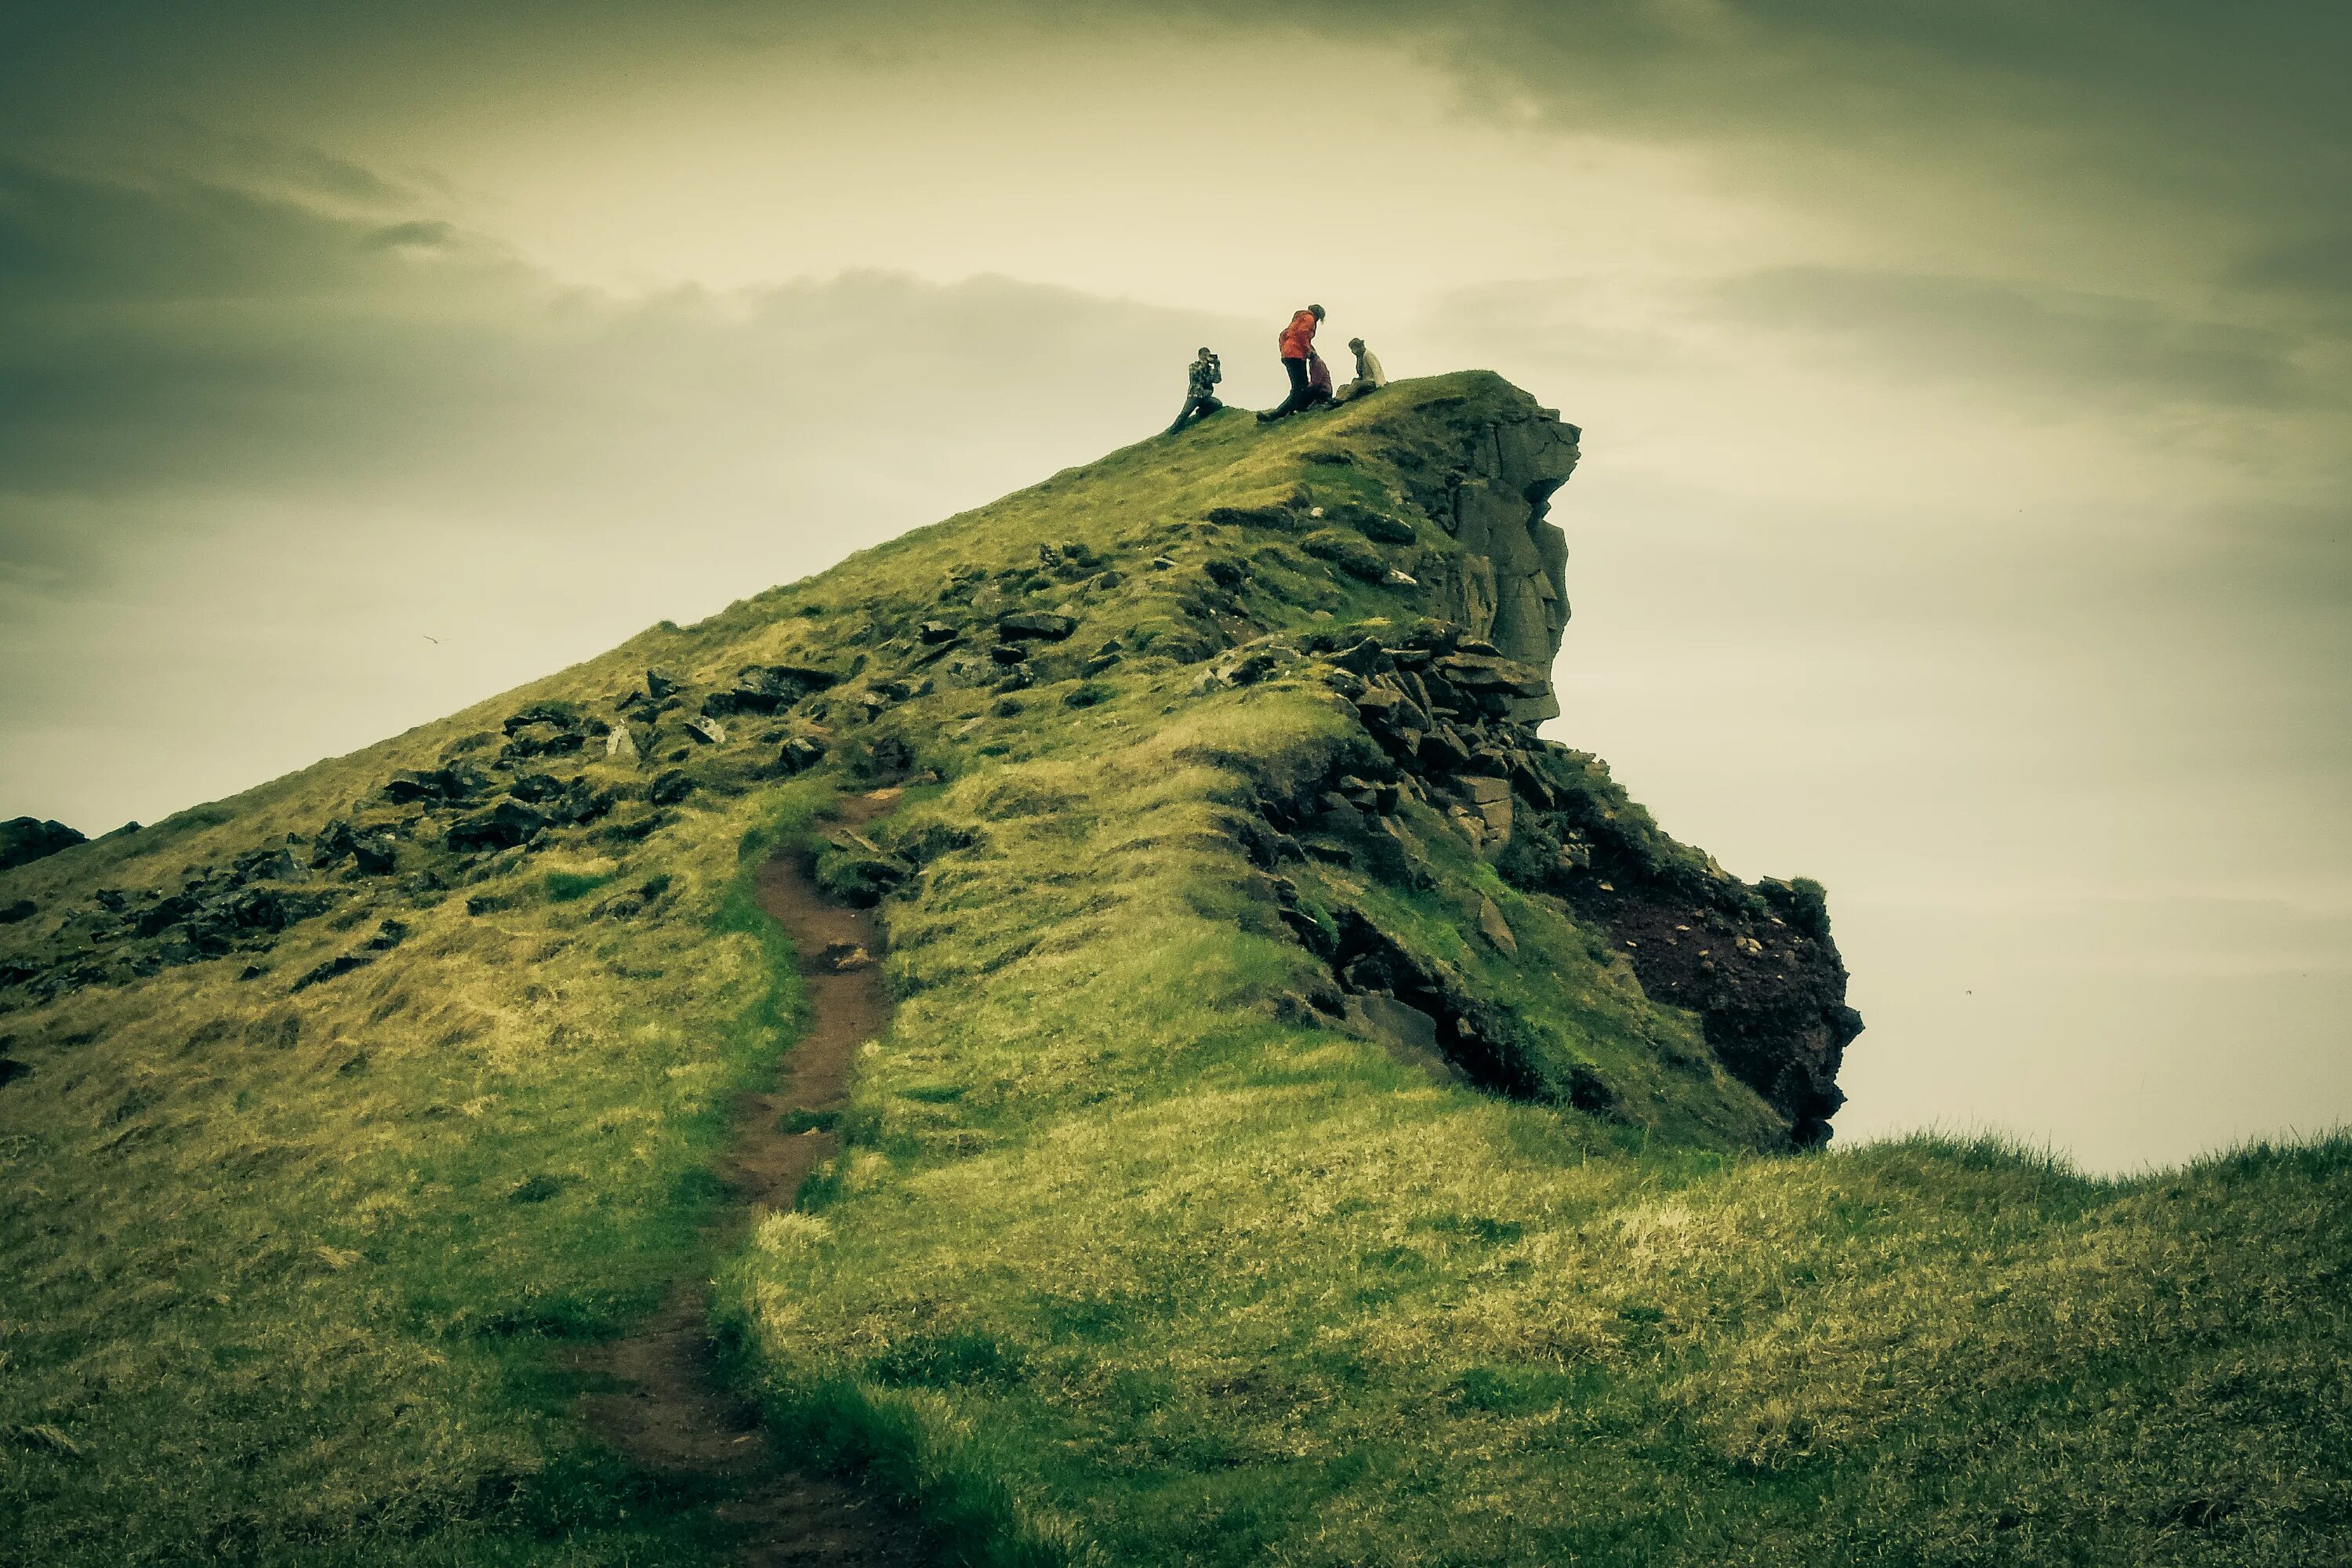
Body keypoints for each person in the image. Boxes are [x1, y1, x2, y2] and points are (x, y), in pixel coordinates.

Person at [1256, 303, 1324, 421]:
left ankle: (1298, 407)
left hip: (1289, 353)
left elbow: (1287, 335)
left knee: (1301, 384)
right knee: (1300, 386)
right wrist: (1308, 350)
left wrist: (1286, 350)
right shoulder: (1309, 318)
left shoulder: (1298, 319)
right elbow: (1302, 334)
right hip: (1296, 354)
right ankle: (1276, 414)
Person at [1167, 347, 1223, 434]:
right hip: (1194, 396)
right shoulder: (1193, 366)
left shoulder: (1209, 370)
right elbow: (1195, 375)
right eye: (1204, 355)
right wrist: (1204, 362)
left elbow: (1217, 379)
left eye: (1208, 355)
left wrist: (1217, 366)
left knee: (1218, 404)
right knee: (1185, 413)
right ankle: (1173, 430)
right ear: (1199, 356)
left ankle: (1201, 413)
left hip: (1205, 397)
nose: (1207, 357)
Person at [1333, 336, 1385, 402]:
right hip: (1364, 381)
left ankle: (1341, 400)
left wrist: (1379, 385)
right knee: (1343, 387)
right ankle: (1336, 399)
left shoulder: (1368, 355)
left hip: (1373, 382)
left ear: (1360, 347)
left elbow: (1376, 369)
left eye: (1354, 349)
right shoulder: (1360, 357)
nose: (1352, 352)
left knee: (1357, 384)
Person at [1300, 348, 1334, 412]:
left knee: (1302, 393)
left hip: (1323, 391)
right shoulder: (1313, 362)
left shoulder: (1317, 363)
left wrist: (1307, 386)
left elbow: (1316, 382)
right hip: (1323, 389)